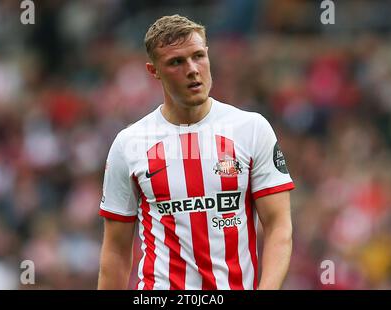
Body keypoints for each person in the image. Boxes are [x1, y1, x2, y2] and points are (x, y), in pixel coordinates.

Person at [97, 14, 294, 290]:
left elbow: (279, 227)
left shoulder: (251, 129)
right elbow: (116, 251)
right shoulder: (129, 144)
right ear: (153, 71)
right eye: (176, 62)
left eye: (198, 56)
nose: (192, 69)